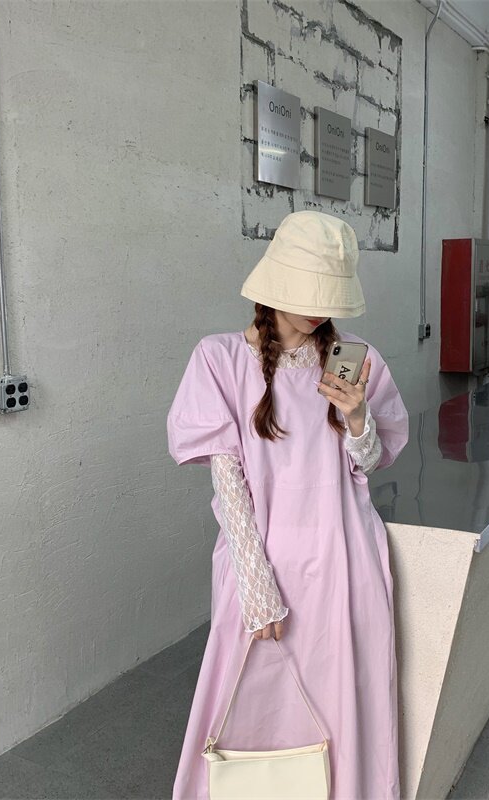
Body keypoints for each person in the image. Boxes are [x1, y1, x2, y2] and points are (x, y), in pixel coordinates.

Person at [167, 210, 409, 799]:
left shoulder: (352, 358)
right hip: (263, 564)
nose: (318, 310)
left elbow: (368, 462)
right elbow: (229, 483)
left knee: (345, 706)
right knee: (249, 710)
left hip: (344, 561)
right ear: (276, 283)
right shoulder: (219, 360)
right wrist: (256, 587)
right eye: (308, 292)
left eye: (328, 296)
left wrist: (358, 417)